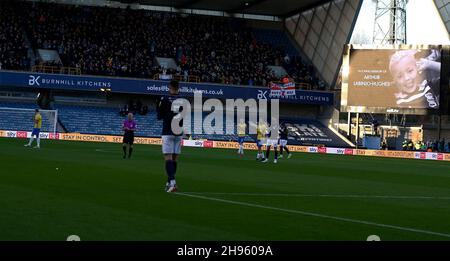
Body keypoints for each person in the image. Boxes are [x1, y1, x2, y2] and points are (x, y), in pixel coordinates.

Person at [157, 80, 183, 193]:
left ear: (170, 87)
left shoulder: (165, 99)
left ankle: (173, 183)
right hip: (178, 131)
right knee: (175, 158)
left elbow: (159, 116)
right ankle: (168, 182)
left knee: (168, 158)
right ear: (178, 88)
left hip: (167, 130)